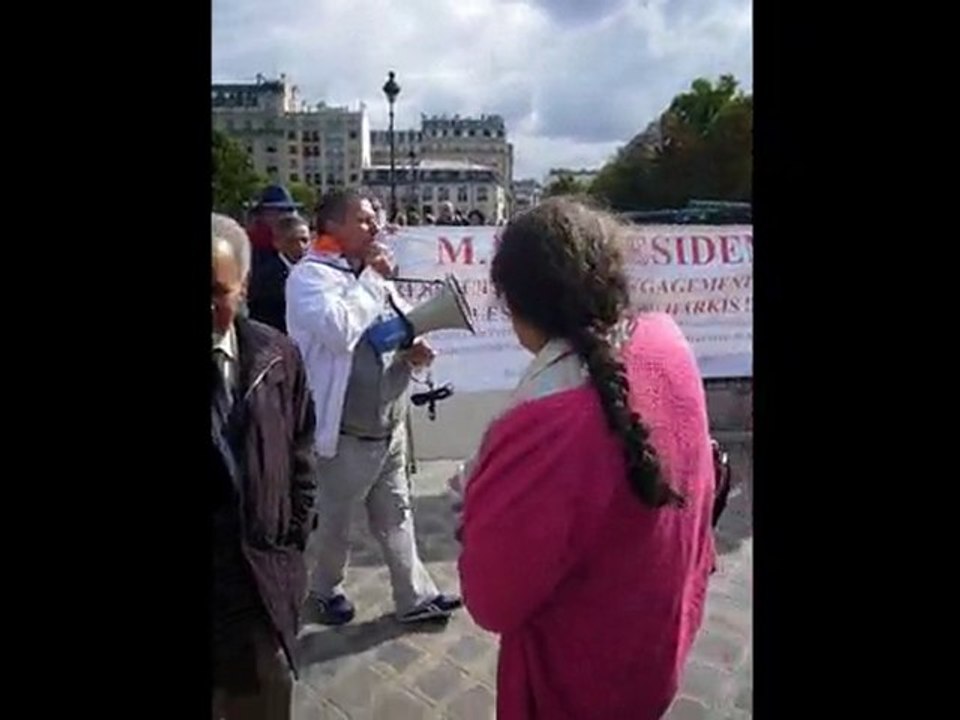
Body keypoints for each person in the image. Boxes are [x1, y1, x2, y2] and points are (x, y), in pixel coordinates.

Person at [456, 198, 716, 719]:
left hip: (576, 678)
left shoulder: (543, 425)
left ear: (516, 305)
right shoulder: (665, 338)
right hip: (656, 643)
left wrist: (476, 507)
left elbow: (492, 601)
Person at [286, 189, 462, 625]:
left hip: (389, 425)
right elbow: (340, 330)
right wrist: (370, 279)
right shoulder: (309, 278)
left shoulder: (368, 273)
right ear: (333, 226)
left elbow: (396, 325)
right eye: (364, 220)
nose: (375, 227)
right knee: (335, 523)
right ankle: (323, 590)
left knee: (397, 514)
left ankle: (414, 597)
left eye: (374, 219)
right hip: (347, 434)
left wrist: (413, 348)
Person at [211, 213, 318, 720]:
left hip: (261, 586)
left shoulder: (277, 356)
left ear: (244, 287)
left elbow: (301, 445)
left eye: (217, 292)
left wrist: (292, 537)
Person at [247, 215, 311, 333]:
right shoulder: (265, 278)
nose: (301, 246)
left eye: (304, 240)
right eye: (292, 241)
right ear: (277, 243)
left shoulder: (318, 272)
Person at [246, 185, 302, 255]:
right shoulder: (252, 242)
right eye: (277, 211)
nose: (284, 216)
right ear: (261, 214)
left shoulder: (297, 240)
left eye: (288, 211)